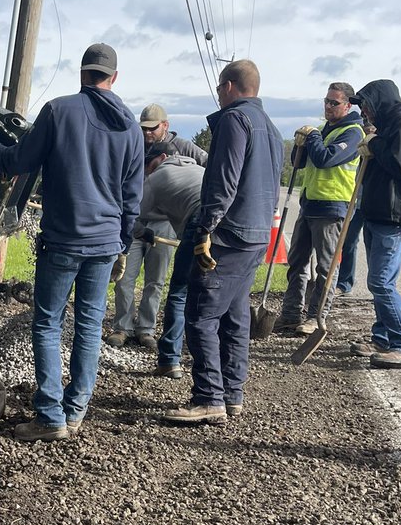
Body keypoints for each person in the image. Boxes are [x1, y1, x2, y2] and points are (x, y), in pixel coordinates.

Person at [0, 43, 143, 440]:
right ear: (113, 78)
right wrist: (121, 241)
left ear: (82, 74)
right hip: (104, 244)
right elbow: (132, 196)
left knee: (49, 323)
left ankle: (50, 417)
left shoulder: (59, 110)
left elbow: (19, 161)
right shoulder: (132, 129)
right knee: (88, 326)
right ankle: (76, 409)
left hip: (64, 240)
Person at [164, 59, 283, 424]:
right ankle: (233, 393)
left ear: (230, 86)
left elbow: (223, 180)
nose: (218, 93)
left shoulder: (235, 120)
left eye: (219, 87)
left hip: (229, 233)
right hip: (257, 233)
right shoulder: (272, 128)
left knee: (200, 314)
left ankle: (209, 397)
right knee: (234, 316)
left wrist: (205, 229)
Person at [106, 105, 207, 350]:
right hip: (134, 219)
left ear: (165, 126)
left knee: (156, 279)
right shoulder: (135, 145)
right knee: (125, 276)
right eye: (144, 129)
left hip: (164, 223)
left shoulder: (183, 147)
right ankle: (122, 327)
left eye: (153, 128)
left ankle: (146, 329)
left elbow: (209, 164)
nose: (148, 133)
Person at [346, 79, 401, 368]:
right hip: (378, 212)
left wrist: (374, 142)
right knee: (381, 281)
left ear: (380, 101)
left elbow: (400, 164)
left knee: (381, 282)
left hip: (396, 215)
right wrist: (371, 143)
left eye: (367, 105)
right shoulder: (386, 126)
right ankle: (382, 339)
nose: (365, 112)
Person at [274, 83, 363, 335]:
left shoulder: (353, 132)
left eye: (334, 103)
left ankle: (315, 317)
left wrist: (312, 137)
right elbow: (299, 163)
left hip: (333, 207)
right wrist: (300, 145)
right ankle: (291, 313)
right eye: (326, 101)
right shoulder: (326, 129)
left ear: (347, 105)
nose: (328, 106)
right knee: (297, 262)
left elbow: (326, 159)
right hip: (310, 204)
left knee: (326, 267)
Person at [134, 141, 205, 379]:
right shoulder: (198, 169)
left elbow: (132, 218)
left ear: (162, 157)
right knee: (213, 296)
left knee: (179, 292)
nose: (147, 170)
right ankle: (217, 369)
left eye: (149, 164)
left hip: (199, 222)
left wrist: (142, 232)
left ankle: (170, 360)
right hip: (228, 221)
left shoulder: (154, 179)